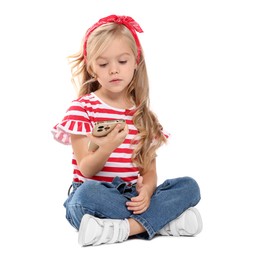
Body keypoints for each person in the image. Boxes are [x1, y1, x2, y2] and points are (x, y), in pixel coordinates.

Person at [52, 14, 203, 247]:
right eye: (103, 64)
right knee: (81, 199)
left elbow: (149, 171)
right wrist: (107, 148)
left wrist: (147, 192)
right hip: (99, 196)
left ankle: (124, 228)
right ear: (92, 68)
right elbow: (86, 171)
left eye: (122, 61)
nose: (114, 70)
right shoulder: (82, 108)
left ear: (135, 62)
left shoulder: (143, 116)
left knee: (189, 186)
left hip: (132, 198)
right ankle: (161, 223)